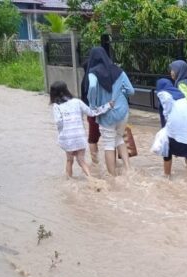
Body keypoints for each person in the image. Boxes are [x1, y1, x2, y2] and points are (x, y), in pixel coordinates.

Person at [85, 47, 135, 176]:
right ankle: (128, 168)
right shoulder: (119, 71)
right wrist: (120, 94)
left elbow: (91, 86)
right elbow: (131, 91)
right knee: (119, 138)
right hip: (123, 112)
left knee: (109, 144)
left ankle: (113, 177)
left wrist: (93, 104)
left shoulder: (92, 72)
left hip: (107, 114)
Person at [50, 81, 113, 178]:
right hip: (80, 136)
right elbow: (92, 113)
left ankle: (69, 181)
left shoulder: (56, 106)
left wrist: (62, 136)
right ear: (66, 90)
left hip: (68, 138)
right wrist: (107, 106)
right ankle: (91, 179)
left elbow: (59, 122)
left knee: (69, 161)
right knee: (81, 160)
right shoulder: (77, 102)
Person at [156, 78, 187, 183]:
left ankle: (167, 176)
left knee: (167, 150)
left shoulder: (163, 95)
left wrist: (165, 134)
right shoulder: (180, 95)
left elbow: (164, 119)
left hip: (176, 126)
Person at [80, 59, 101, 164]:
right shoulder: (98, 78)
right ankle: (114, 163)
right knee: (111, 138)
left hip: (91, 113)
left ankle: (95, 163)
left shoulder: (84, 81)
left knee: (93, 138)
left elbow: (83, 100)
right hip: (104, 111)